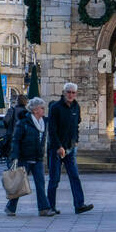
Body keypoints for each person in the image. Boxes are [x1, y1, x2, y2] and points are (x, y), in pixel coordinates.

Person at [47, 83, 92, 215]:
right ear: (64, 92)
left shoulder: (76, 107)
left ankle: (79, 205)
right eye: (68, 92)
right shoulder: (55, 107)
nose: (71, 94)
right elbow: (52, 130)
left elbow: (76, 125)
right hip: (56, 149)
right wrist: (58, 146)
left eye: (73, 92)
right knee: (54, 179)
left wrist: (76, 141)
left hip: (70, 148)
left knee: (74, 176)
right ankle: (50, 206)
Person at [5, 98, 54, 217]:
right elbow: (16, 140)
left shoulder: (44, 122)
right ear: (35, 110)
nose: (44, 110)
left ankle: (43, 209)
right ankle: (10, 207)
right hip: (24, 158)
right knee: (19, 184)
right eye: (42, 108)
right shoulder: (23, 123)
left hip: (37, 158)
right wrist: (15, 156)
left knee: (40, 184)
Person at [1, 94, 26, 159]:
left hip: (13, 135)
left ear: (17, 101)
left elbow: (6, 120)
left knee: (11, 155)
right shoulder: (28, 111)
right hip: (25, 137)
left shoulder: (12, 110)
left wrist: (8, 127)